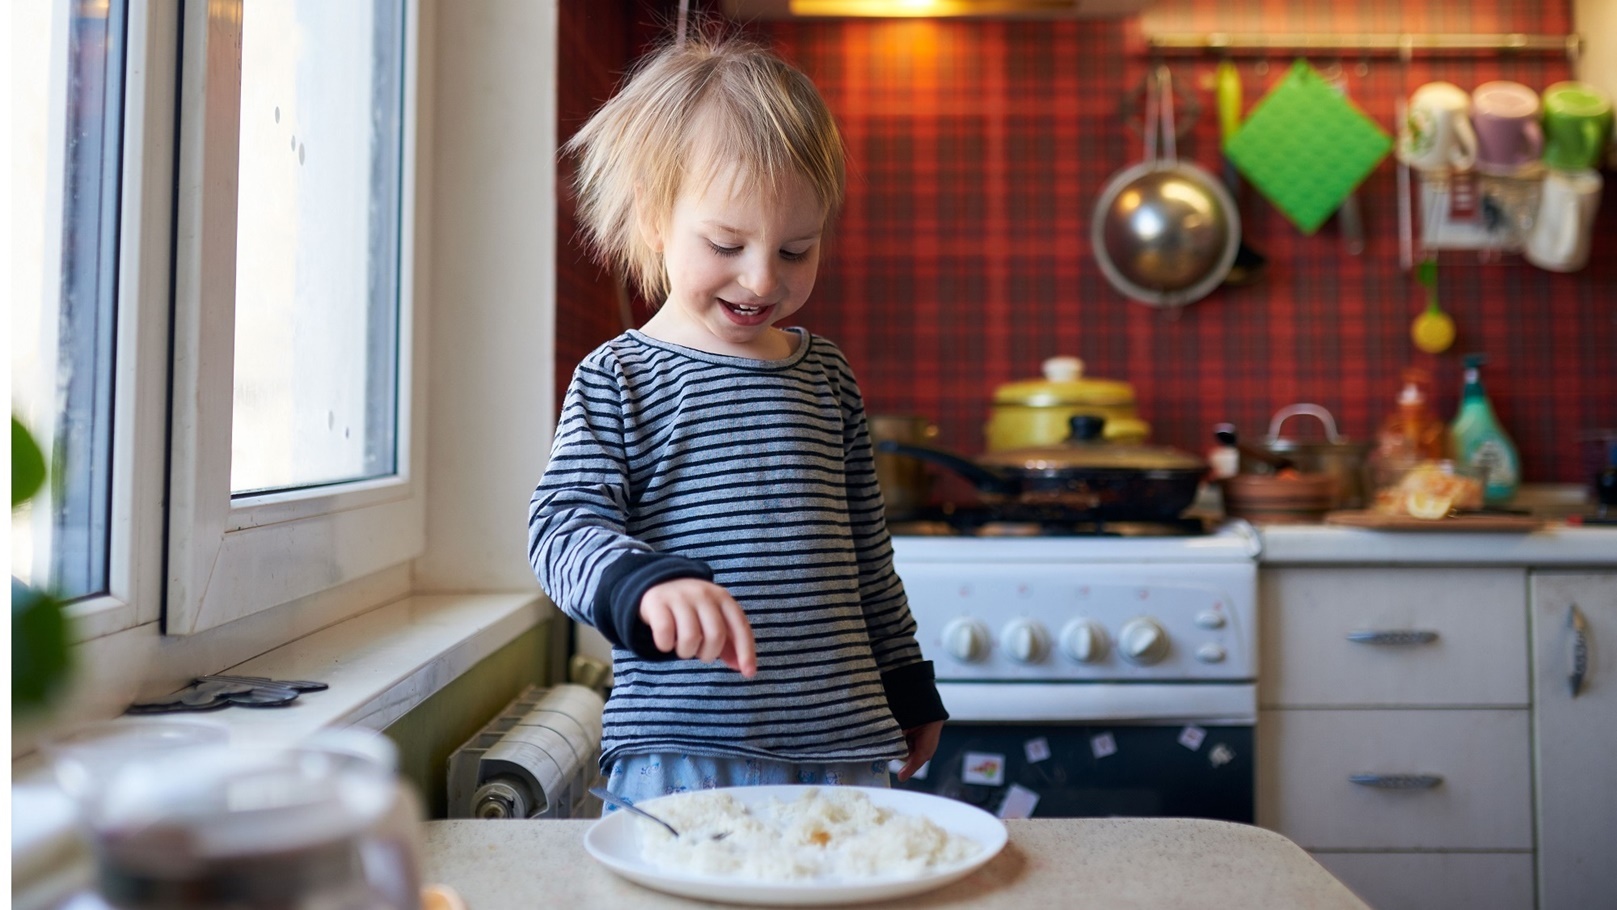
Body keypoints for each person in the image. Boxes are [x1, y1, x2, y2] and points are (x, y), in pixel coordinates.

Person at [528, 31, 947, 804]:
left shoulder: (825, 376)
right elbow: (560, 527)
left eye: (795, 250)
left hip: (840, 746)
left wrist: (905, 682)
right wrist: (639, 585)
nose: (761, 280)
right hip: (681, 749)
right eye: (727, 243)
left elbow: (867, 555)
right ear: (654, 217)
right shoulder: (619, 377)